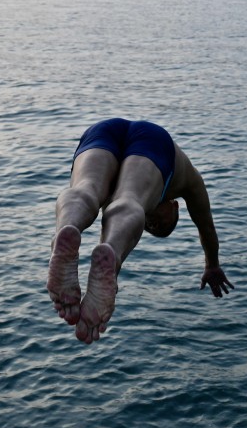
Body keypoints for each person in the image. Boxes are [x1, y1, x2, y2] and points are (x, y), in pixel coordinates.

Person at [47, 118, 233, 344]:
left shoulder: (120, 212)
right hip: (155, 141)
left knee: (86, 189)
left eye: (149, 227)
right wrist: (212, 264)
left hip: (104, 129)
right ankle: (81, 239)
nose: (151, 224)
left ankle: (67, 229)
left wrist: (105, 287)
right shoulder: (189, 183)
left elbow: (103, 258)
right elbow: (206, 228)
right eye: (162, 226)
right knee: (130, 201)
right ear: (174, 206)